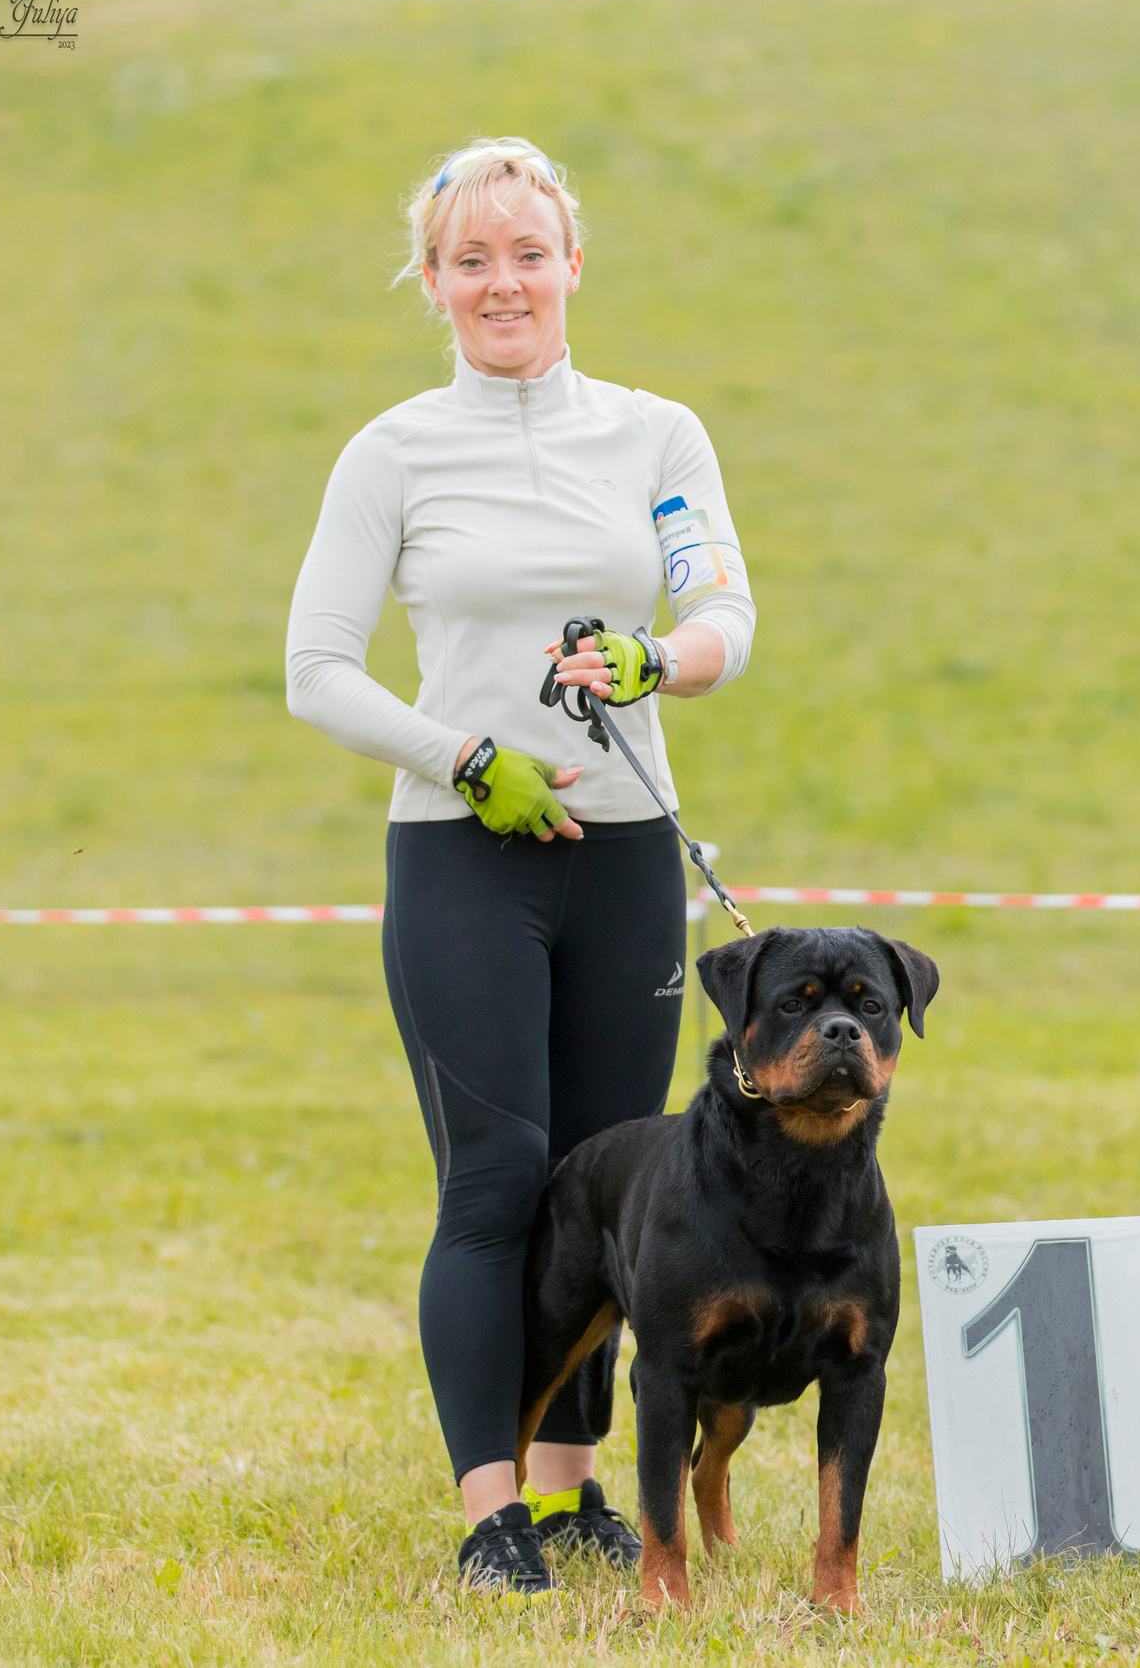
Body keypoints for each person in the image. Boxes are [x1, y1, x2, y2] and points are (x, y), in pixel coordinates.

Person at [284, 138, 757, 1595]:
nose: (505, 282)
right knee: (494, 1181)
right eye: (471, 259)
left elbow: (725, 610)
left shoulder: (656, 433)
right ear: (433, 282)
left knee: (619, 1191)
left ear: (571, 265)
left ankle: (574, 1495)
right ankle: (492, 1509)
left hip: (625, 861)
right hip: (463, 864)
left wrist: (654, 656)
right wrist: (464, 760)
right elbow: (316, 670)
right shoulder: (394, 452)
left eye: (528, 253)